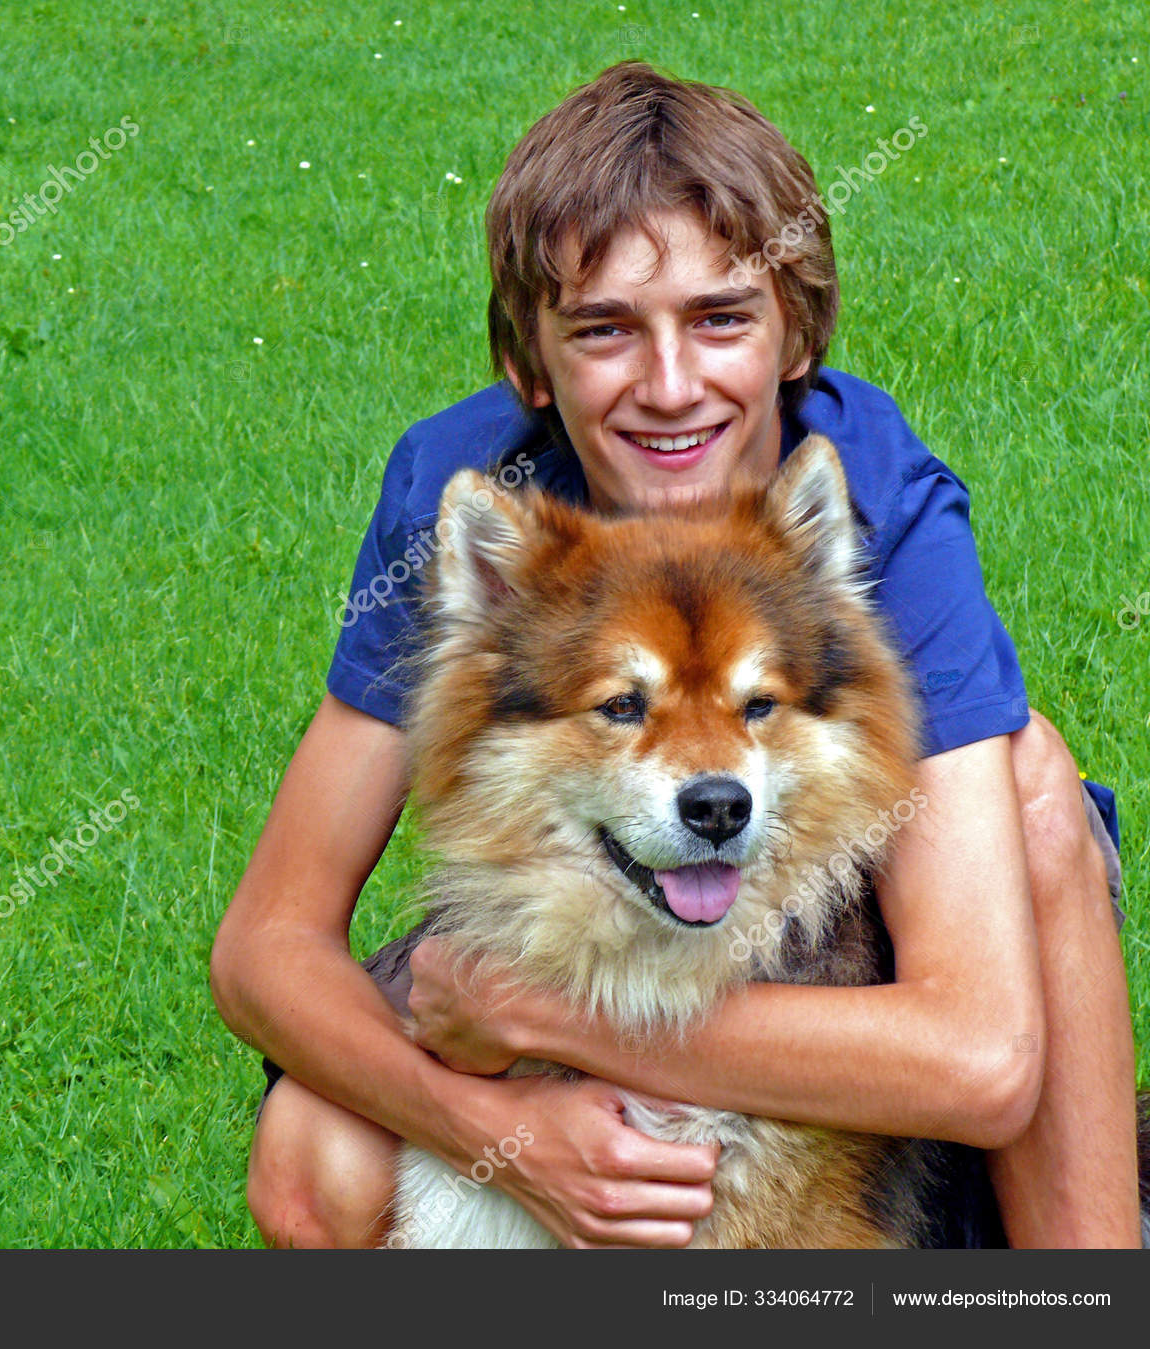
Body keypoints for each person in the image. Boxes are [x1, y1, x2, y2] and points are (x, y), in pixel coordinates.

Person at [208, 60, 1138, 1249]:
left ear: (793, 334)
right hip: (592, 899)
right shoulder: (485, 508)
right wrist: (507, 1133)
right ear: (529, 364)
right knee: (310, 1159)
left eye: (720, 317)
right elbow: (264, 948)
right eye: (604, 328)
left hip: (871, 930)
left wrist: (541, 1012)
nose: (668, 383)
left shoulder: (872, 505)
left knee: (1032, 781)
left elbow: (982, 1056)